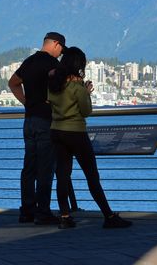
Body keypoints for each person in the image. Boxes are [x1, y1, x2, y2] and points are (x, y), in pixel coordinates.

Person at [48, 46, 131, 229]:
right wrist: (86, 93)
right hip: (76, 132)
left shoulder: (54, 83)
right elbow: (86, 111)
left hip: (56, 131)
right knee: (92, 176)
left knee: (62, 175)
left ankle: (65, 216)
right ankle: (108, 216)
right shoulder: (77, 87)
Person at [8, 31, 64, 225]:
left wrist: (27, 102)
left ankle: (26, 211)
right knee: (46, 168)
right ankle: (43, 212)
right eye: (61, 50)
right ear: (56, 44)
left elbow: (13, 83)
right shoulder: (53, 65)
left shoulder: (29, 62)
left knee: (29, 167)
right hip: (46, 120)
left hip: (29, 120)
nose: (61, 54)